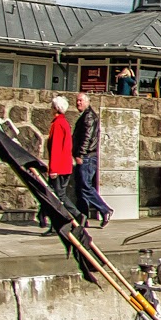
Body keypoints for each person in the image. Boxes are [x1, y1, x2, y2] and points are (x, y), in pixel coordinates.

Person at [71, 91, 111, 226]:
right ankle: (82, 217)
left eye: (81, 101)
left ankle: (104, 210)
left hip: (87, 157)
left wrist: (80, 154)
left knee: (85, 186)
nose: (78, 103)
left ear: (87, 102)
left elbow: (87, 138)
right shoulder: (86, 116)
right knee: (80, 188)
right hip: (87, 156)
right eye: (77, 101)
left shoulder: (88, 117)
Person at [39, 96, 76, 234]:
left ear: (55, 108)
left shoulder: (58, 124)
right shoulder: (63, 123)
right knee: (56, 196)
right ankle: (47, 219)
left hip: (59, 167)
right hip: (64, 166)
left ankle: (76, 216)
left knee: (57, 197)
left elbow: (56, 148)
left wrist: (53, 169)